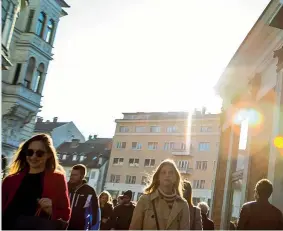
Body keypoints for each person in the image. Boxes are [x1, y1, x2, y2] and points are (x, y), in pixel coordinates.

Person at [2, 134, 71, 230]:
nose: (33, 157)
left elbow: (65, 215)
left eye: (39, 153)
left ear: (49, 155)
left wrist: (51, 210)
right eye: (30, 152)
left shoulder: (57, 179)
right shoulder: (10, 180)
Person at [130, 159, 190, 230]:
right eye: (163, 172)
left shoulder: (182, 204)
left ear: (176, 178)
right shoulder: (145, 200)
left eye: (170, 172)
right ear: (158, 177)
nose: (167, 175)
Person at [67, 164, 99, 230]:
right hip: (62, 223)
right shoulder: (65, 187)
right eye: (71, 174)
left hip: (79, 225)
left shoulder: (89, 191)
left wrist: (92, 225)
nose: (72, 177)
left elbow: (94, 210)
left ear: (82, 176)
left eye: (75, 175)